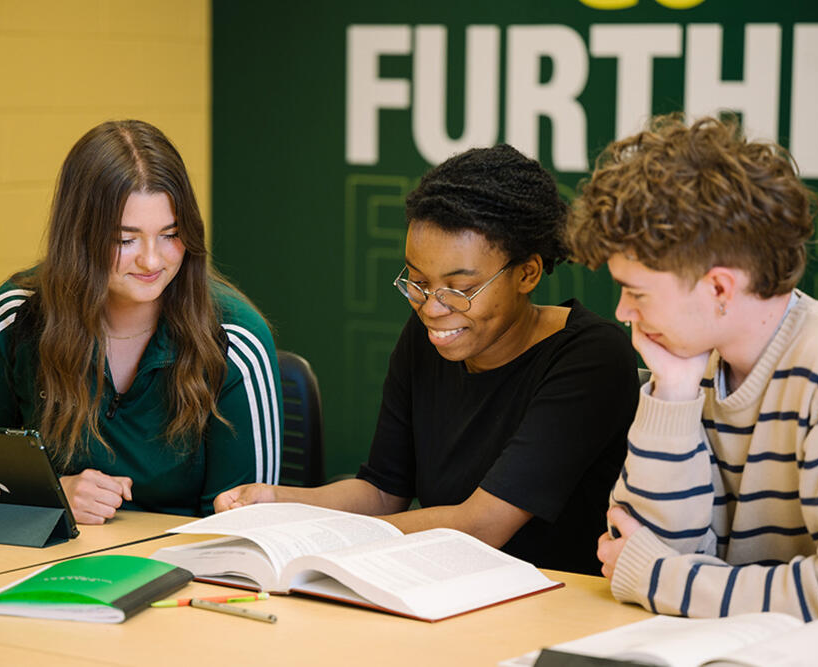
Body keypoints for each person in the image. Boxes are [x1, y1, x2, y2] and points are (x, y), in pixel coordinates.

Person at [215, 144, 639, 574]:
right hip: (443, 591)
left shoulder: (590, 358)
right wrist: (276, 500)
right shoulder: (429, 338)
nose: (433, 308)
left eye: (459, 288)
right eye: (417, 282)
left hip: (560, 603)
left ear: (527, 273)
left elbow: (481, 526)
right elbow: (382, 491)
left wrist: (336, 544)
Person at [567, 114, 818, 619]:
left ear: (718, 288)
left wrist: (661, 577)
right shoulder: (689, 357)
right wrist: (672, 394)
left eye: (636, 292)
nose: (623, 313)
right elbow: (638, 551)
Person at [0, 120, 282, 523]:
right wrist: (50, 494)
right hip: (43, 565)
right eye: (125, 240)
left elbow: (246, 530)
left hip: (183, 570)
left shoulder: (236, 337)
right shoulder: (16, 316)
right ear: (79, 237)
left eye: (170, 234)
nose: (152, 261)